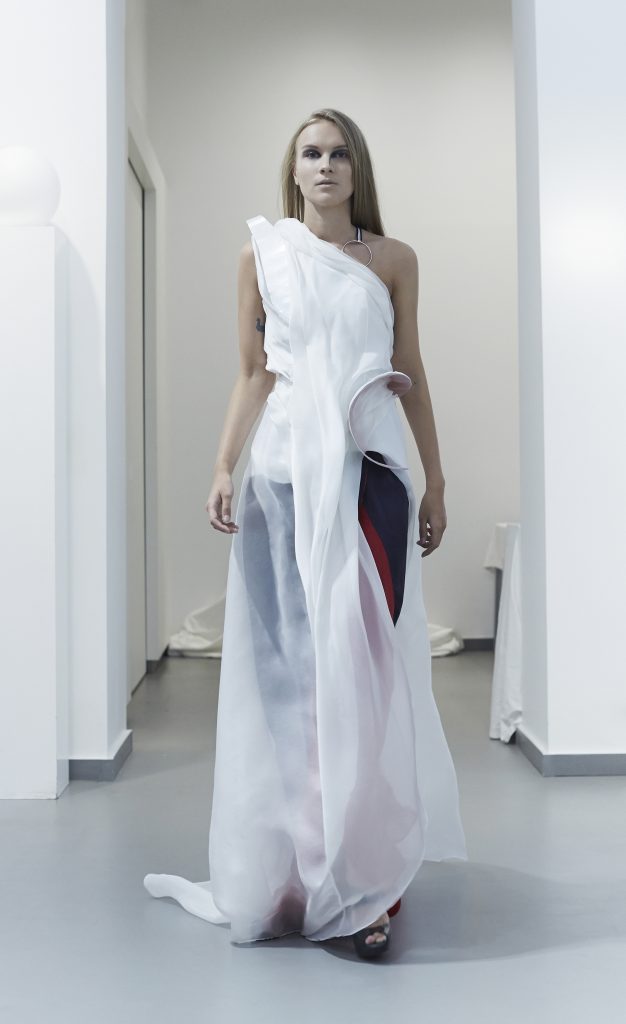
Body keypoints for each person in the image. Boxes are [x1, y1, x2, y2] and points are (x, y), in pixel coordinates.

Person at [144, 108, 467, 960]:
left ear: (358, 170)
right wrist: (223, 465)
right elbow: (253, 373)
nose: (325, 166)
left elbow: (413, 370)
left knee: (364, 679)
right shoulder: (263, 255)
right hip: (282, 481)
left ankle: (368, 880)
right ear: (293, 171)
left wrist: (436, 480)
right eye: (311, 154)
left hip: (370, 481)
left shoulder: (393, 261)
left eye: (339, 154)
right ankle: (310, 872)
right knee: (293, 685)